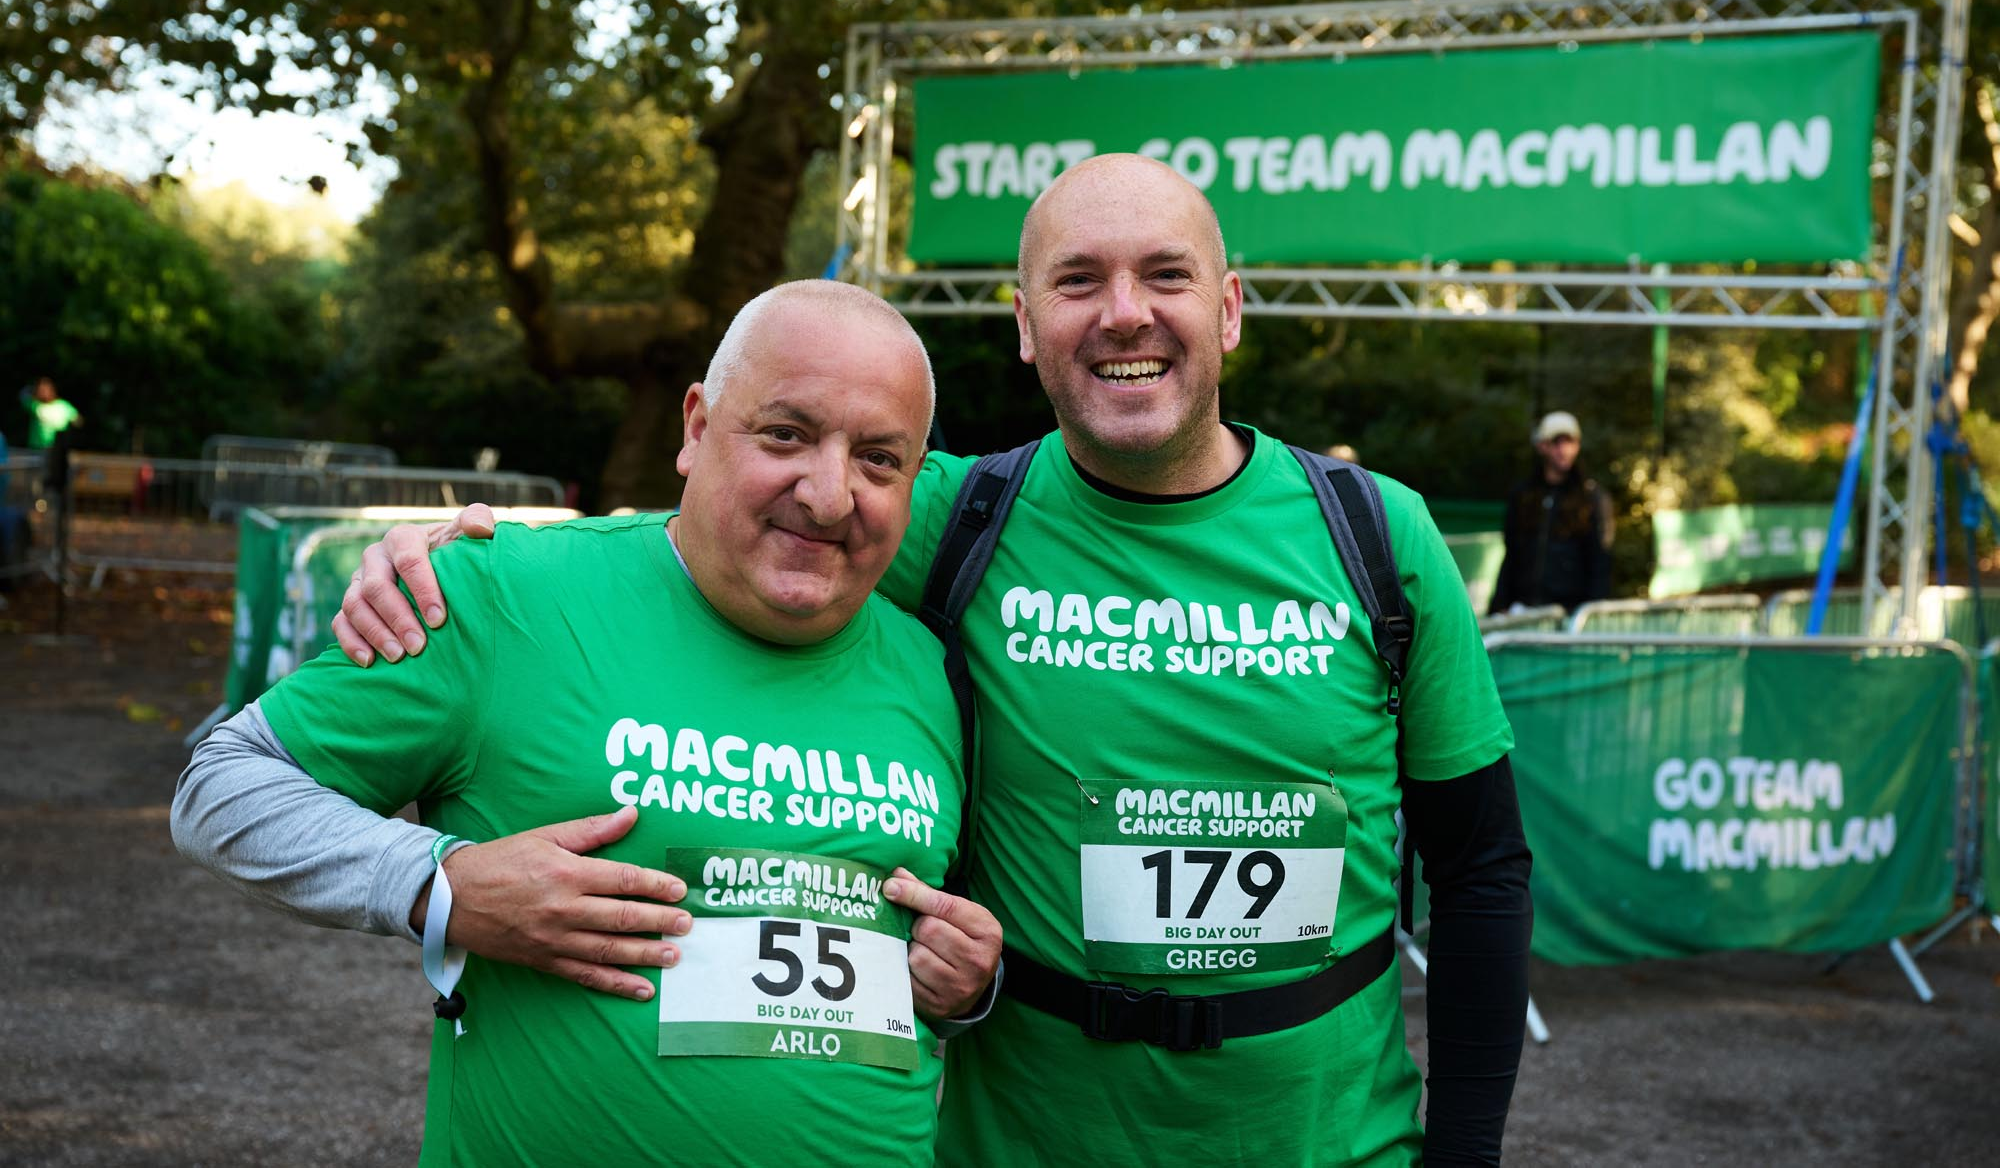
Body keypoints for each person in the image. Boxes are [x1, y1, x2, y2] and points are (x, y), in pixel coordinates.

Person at [341, 155, 1533, 1166]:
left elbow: (1478, 869)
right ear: (1024, 327)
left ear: (1227, 310)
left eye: (1163, 276)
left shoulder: (1379, 536)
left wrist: (1466, 1152)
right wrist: (467, 555)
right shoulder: (949, 513)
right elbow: (732, 514)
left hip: (1329, 1140)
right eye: (1076, 282)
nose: (1123, 313)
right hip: (1019, 1144)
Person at [174, 282, 1002, 1166]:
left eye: (878, 458)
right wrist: (439, 885)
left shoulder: (936, 667)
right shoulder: (508, 594)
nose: (830, 493)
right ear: (696, 427)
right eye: (787, 434)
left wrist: (965, 984)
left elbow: (914, 956)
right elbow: (221, 784)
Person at [1489, 410, 1615, 614]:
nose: (1563, 450)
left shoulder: (1593, 498)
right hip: (1522, 611)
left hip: (1569, 616)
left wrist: (1590, 613)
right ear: (1542, 446)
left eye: (1570, 442)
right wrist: (1499, 605)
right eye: (1557, 442)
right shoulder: (1522, 495)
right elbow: (1512, 554)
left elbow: (1600, 562)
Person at [19, 376, 81, 449]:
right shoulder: (34, 405)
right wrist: (33, 388)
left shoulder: (63, 405)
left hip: (58, 448)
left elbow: (78, 421)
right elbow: (22, 395)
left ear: (52, 390)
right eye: (40, 390)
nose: (43, 393)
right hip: (37, 449)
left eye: (45, 390)